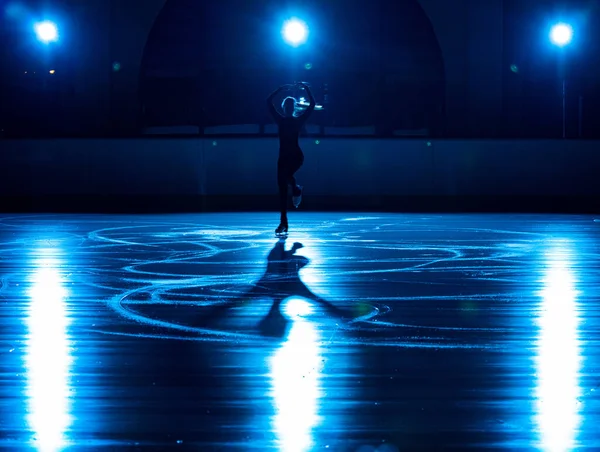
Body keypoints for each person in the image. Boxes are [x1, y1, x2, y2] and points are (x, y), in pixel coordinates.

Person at [267, 82, 316, 236]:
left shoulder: (298, 121)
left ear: (293, 108)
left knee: (286, 177)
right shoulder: (280, 120)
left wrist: (306, 88)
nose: (288, 108)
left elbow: (312, 105)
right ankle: (283, 223)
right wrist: (280, 89)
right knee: (282, 191)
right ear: (284, 108)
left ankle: (296, 188)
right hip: (282, 158)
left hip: (296, 156)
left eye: (290, 106)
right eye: (286, 106)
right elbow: (268, 101)